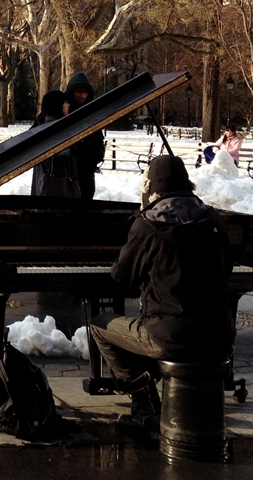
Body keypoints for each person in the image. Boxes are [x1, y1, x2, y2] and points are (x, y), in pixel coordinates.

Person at [89, 155, 234, 429]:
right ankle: (159, 382)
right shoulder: (213, 219)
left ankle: (145, 405)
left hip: (171, 337)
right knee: (161, 327)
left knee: (99, 325)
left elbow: (122, 277)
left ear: (150, 188)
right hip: (218, 336)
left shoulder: (148, 224)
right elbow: (226, 269)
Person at [30, 90, 79, 197]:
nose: (68, 105)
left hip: (43, 183)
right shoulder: (55, 129)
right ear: (57, 105)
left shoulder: (41, 126)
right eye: (65, 102)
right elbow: (61, 157)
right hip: (56, 187)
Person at [64, 73, 105, 199]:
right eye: (79, 92)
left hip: (87, 172)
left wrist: (96, 157)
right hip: (68, 173)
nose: (83, 96)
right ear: (71, 92)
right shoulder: (64, 112)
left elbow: (98, 139)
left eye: (85, 92)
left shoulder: (91, 114)